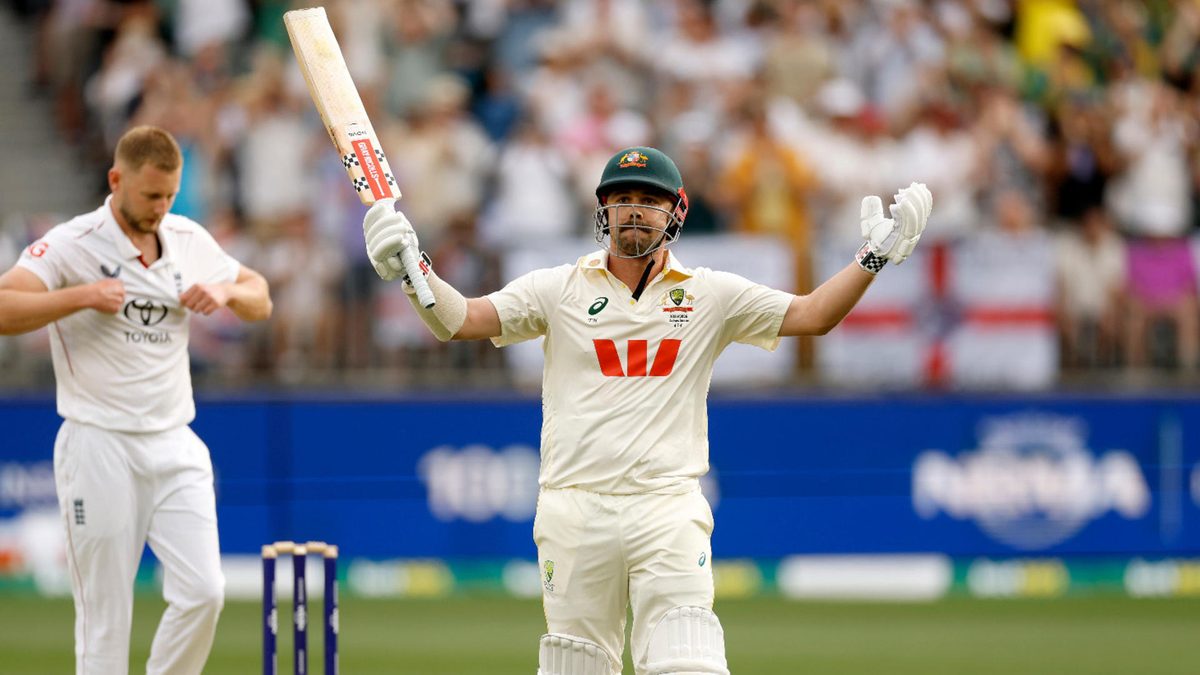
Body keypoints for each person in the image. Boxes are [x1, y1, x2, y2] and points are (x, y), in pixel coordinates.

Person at [363, 146, 930, 675]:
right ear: (602, 211)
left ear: (676, 211)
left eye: (650, 201)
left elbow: (812, 315)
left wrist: (873, 256)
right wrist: (414, 270)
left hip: (667, 508)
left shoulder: (710, 293)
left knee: (689, 663)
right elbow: (460, 319)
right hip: (574, 509)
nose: (634, 212)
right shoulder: (557, 288)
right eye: (621, 201)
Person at [0, 125, 273, 675]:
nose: (161, 207)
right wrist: (80, 296)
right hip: (97, 442)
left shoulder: (188, 238)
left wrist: (224, 291)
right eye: (151, 195)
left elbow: (259, 296)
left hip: (175, 441)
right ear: (116, 180)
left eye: (170, 195)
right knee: (105, 620)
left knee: (204, 594)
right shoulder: (72, 243)